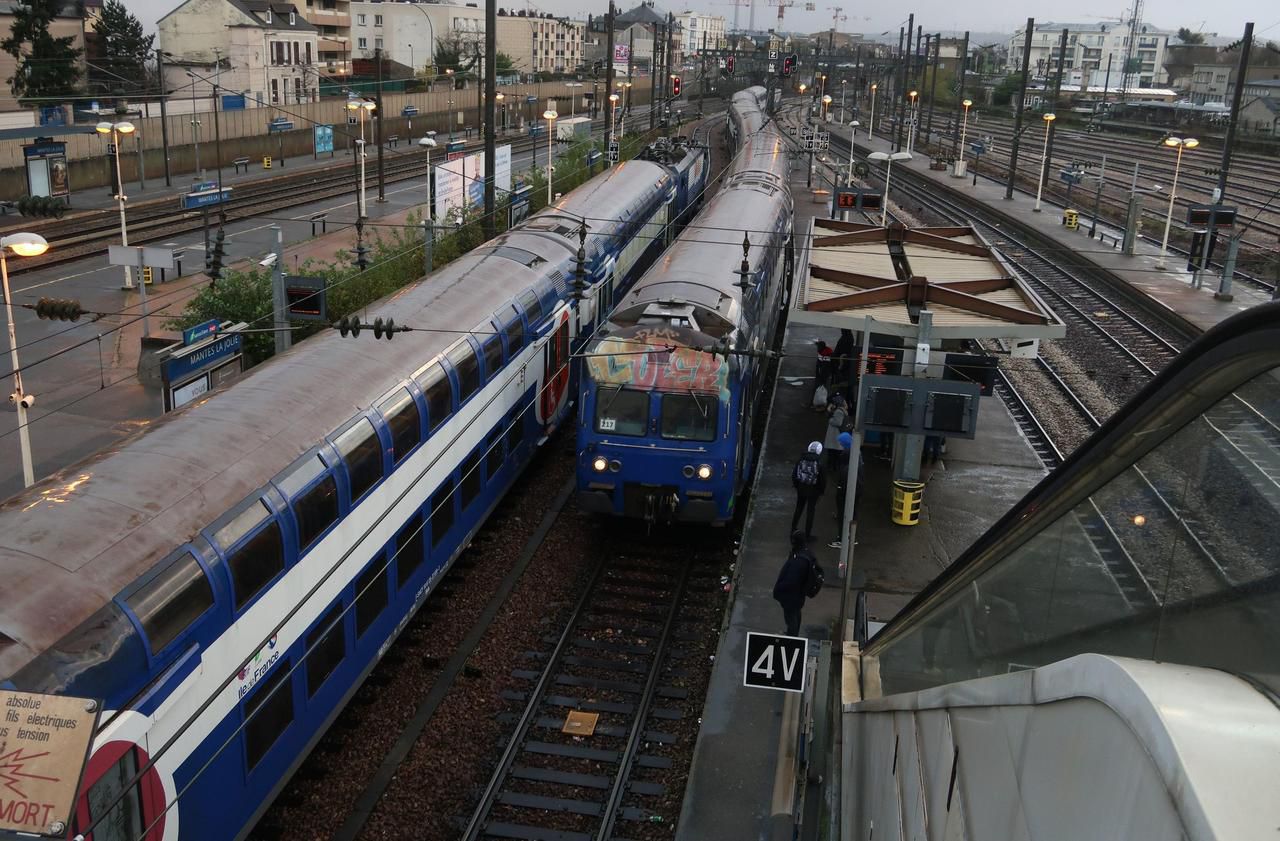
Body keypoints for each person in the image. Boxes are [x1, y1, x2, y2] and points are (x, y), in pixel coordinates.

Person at [773, 531, 816, 636]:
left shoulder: (798, 560)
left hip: (791, 596)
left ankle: (791, 639)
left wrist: (778, 590)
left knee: (791, 618)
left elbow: (790, 580)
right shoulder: (806, 554)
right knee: (796, 615)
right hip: (799, 595)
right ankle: (792, 635)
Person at [790, 441, 826, 539]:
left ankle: (793, 529)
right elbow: (822, 479)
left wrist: (797, 485)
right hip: (813, 491)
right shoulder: (819, 463)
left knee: (799, 508)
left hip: (801, 488)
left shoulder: (801, 459)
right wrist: (821, 491)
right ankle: (807, 534)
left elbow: (794, 474)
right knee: (810, 511)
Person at [823, 393, 850, 469]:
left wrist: (830, 420)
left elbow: (838, 422)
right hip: (837, 436)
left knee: (832, 454)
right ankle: (834, 467)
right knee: (836, 454)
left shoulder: (838, 411)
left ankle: (832, 468)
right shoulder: (842, 410)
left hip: (834, 435)